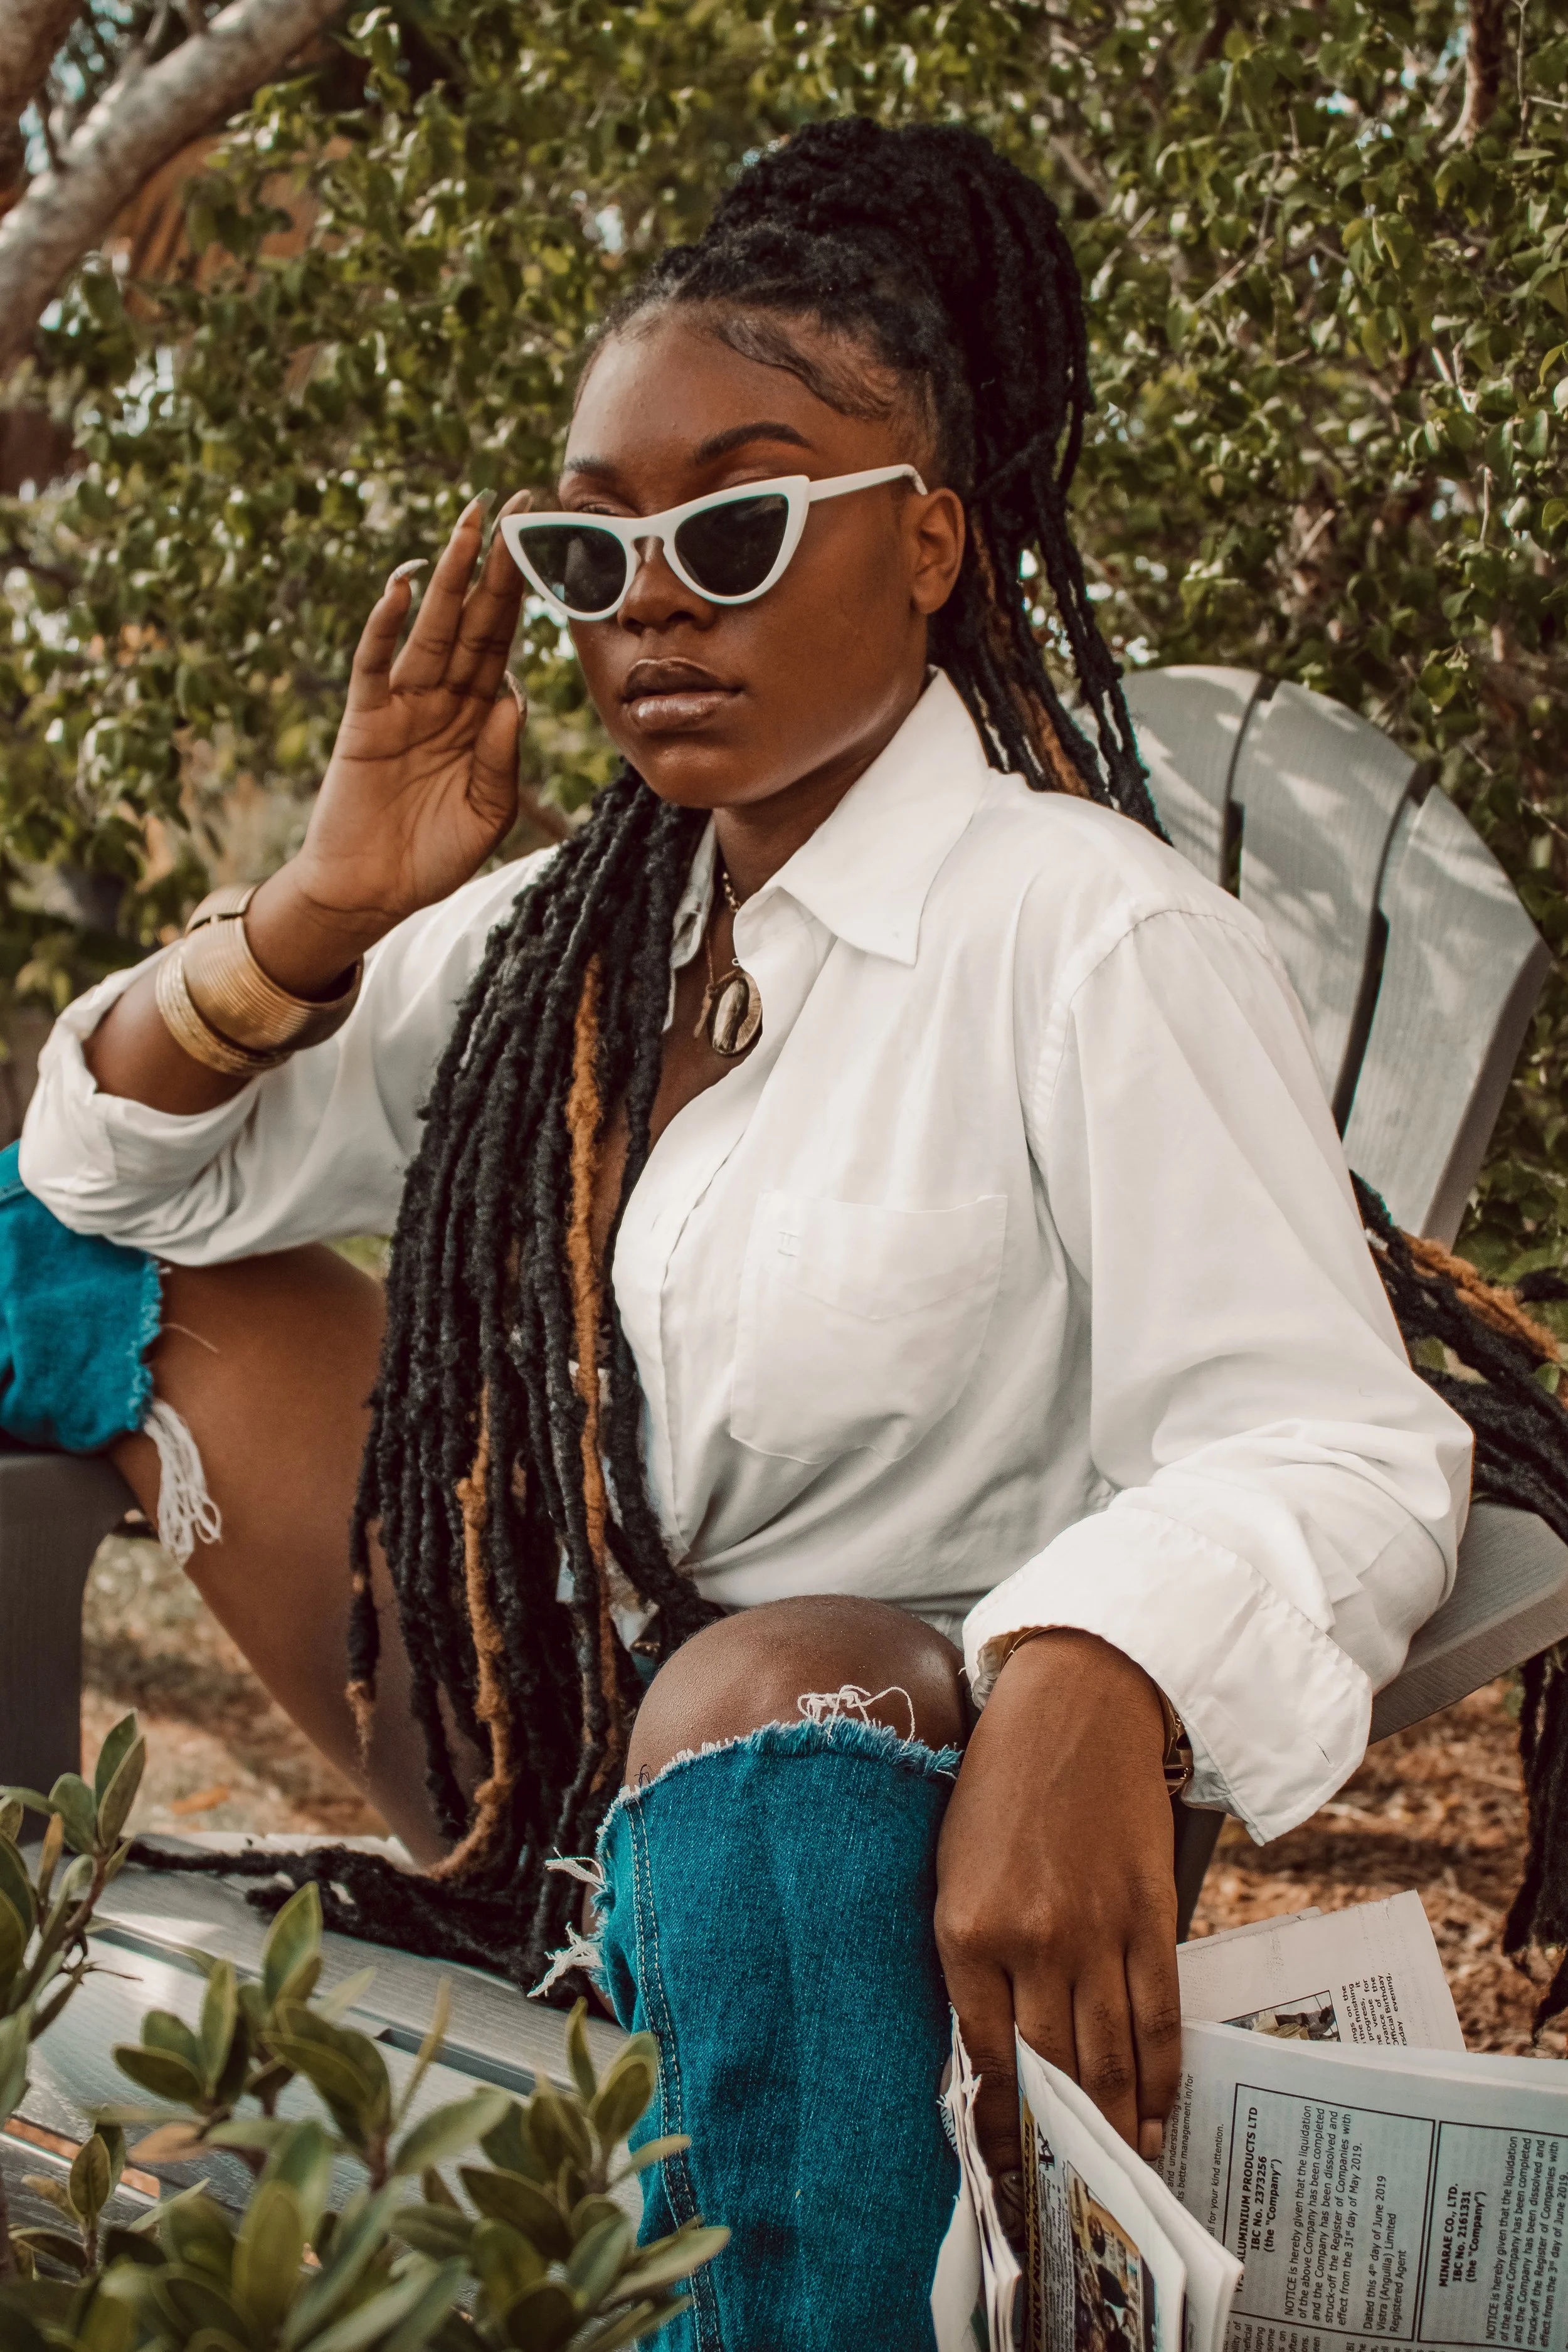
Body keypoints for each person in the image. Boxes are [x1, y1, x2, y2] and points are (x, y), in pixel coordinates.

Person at [18, 119, 1470, 2348]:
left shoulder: (1087, 942)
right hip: (539, 1754)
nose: (653, 604)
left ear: (924, 543)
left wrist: (1090, 1668)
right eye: (590, 556)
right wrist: (321, 906)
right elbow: (107, 1191)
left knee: (774, 1685)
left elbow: (1332, 1439)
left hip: (864, 1813)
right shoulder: (557, 947)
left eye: (732, 522)